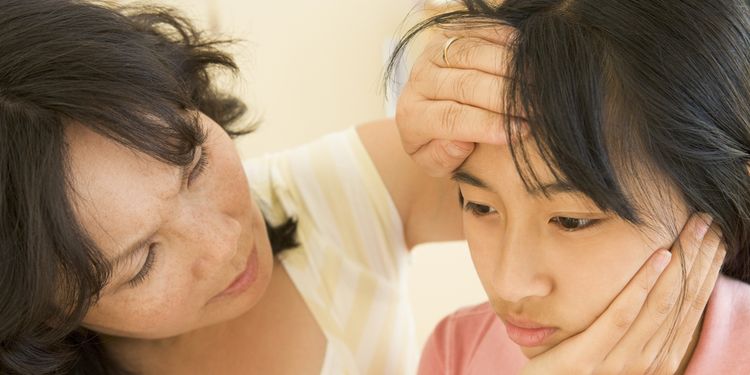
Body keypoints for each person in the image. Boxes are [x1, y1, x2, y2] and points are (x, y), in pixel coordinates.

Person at [0, 0, 722, 374]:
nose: (225, 242)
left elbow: (602, 153)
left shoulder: (319, 202)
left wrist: (457, 64)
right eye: (144, 259)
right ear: (45, 308)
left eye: (191, 161)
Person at [388, 0, 750, 373]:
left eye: (570, 221)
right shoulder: (457, 351)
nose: (509, 284)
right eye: (481, 206)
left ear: (725, 197)